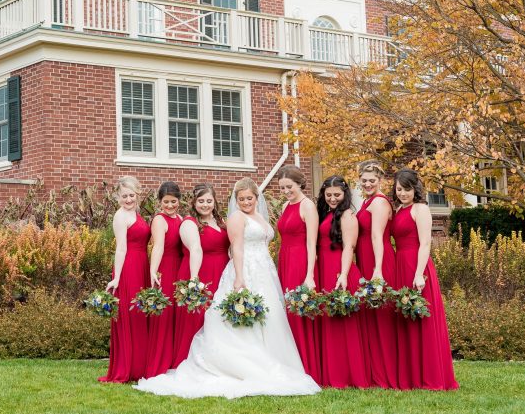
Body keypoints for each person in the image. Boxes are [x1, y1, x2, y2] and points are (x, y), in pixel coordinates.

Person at [136, 178, 320, 398]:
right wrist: (239, 276)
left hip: (264, 270)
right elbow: (234, 248)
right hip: (244, 270)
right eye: (241, 199)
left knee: (271, 316)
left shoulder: (251, 217)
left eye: (249, 198)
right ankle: (244, 363)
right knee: (243, 317)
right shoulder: (227, 219)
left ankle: (274, 357)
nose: (245, 202)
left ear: (256, 198)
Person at [390, 168, 459, 390]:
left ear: (415, 189)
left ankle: (430, 376)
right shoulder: (400, 208)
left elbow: (425, 243)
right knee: (406, 319)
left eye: (407, 189)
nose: (402, 194)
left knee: (422, 318)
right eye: (399, 189)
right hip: (401, 263)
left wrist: (419, 273)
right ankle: (411, 376)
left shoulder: (420, 209)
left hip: (416, 265)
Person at [315, 175, 371, 388]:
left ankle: (347, 375)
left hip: (339, 269)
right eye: (328, 195)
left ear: (345, 194)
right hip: (324, 269)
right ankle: (330, 373)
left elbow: (349, 247)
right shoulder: (326, 213)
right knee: (329, 321)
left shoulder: (347, 215)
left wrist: (344, 274)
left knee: (343, 325)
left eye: (336, 195)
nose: (332, 198)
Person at [170, 183, 230, 368]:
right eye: (201, 201)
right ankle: (192, 363)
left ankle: (218, 362)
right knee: (198, 318)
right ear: (194, 202)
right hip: (199, 272)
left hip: (221, 273)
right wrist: (194, 280)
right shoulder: (190, 222)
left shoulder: (220, 221)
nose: (205, 204)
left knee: (218, 317)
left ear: (215, 201)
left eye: (209, 200)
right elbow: (195, 249)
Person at [98, 176, 151, 383]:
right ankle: (128, 366)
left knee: (140, 314)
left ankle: (140, 365)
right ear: (118, 198)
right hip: (128, 267)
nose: (128, 199)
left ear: (137, 194)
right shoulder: (120, 216)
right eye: (124, 196)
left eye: (131, 195)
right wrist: (117, 277)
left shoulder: (135, 213)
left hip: (142, 266)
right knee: (131, 314)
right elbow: (121, 247)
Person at [274, 164, 322, 382]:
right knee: (286, 310)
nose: (285, 192)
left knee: (298, 310)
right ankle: (290, 362)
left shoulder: (307, 206)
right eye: (282, 188)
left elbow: (313, 243)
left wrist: (310, 275)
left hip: (301, 260)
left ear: (300, 183)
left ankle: (306, 364)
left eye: (289, 187)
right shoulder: (286, 206)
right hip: (285, 259)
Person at [355, 160, 400, 388]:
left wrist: (378, 270)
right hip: (364, 259)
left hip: (378, 260)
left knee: (382, 314)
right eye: (364, 180)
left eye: (372, 180)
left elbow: (377, 237)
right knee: (370, 313)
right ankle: (374, 370)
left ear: (380, 180)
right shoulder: (366, 202)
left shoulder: (380, 203)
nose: (368, 183)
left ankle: (388, 373)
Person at [145, 181, 184, 378]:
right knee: (164, 316)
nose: (169, 206)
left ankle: (175, 361)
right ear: (160, 202)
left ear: (179, 201)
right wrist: (153, 271)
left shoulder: (181, 218)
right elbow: (158, 246)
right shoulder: (159, 220)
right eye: (166, 202)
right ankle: (158, 364)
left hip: (180, 269)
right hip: (166, 269)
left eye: (173, 201)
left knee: (178, 316)